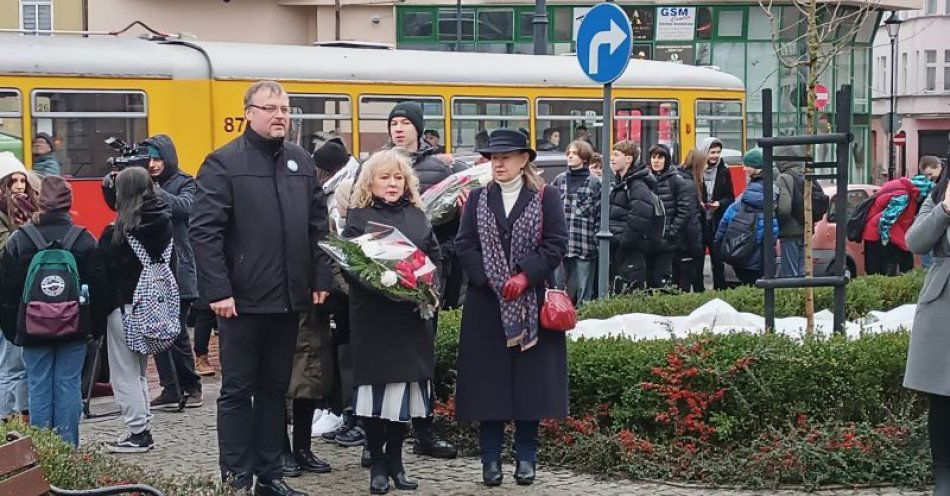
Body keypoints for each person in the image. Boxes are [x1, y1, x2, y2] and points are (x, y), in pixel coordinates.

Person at [190, 80, 334, 496]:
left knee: (275, 390)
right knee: (237, 389)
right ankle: (236, 475)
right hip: (240, 302)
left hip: (288, 300)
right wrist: (218, 290)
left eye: (286, 109)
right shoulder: (223, 163)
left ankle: (270, 475)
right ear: (248, 112)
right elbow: (206, 231)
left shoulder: (300, 162)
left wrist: (320, 278)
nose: (280, 116)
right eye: (270, 108)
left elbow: (317, 228)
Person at [455, 129, 568, 487]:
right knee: (489, 386)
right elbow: (465, 245)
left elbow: (555, 244)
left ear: (524, 160)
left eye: (505, 157)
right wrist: (489, 279)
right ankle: (490, 461)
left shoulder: (546, 196)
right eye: (493, 158)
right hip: (487, 304)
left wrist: (525, 276)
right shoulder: (477, 199)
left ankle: (526, 458)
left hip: (530, 303)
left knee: (529, 385)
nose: (498, 163)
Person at [343, 149, 442, 494]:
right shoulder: (359, 216)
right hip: (375, 318)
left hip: (410, 320)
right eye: (385, 177)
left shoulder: (417, 216)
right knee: (375, 395)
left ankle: (398, 463)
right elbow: (351, 266)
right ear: (371, 180)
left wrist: (429, 290)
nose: (392, 183)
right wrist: (386, 288)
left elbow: (435, 258)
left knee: (403, 395)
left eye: (398, 177)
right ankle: (377, 466)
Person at [0, 175, 107, 446]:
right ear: (69, 204)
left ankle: (44, 451)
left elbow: (7, 293)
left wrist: (13, 330)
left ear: (40, 202)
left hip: (32, 328)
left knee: (38, 385)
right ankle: (68, 449)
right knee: (69, 385)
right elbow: (100, 290)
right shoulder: (84, 240)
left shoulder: (20, 240)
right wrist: (94, 329)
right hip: (73, 327)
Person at [383, 101, 458, 459]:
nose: (398, 129)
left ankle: (425, 429)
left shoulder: (440, 168)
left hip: (426, 277)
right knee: (386, 358)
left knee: (422, 355)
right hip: (385, 277)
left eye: (404, 123)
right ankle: (382, 434)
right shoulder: (378, 166)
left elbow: (455, 224)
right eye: (393, 123)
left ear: (418, 128)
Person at [98, 167, 174, 453]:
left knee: (125, 372)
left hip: (125, 309)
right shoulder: (164, 224)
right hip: (156, 308)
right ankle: (142, 424)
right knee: (140, 370)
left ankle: (138, 432)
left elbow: (103, 274)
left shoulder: (116, 234)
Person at [139, 134, 204, 410]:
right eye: (149, 160)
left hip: (180, 270)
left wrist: (153, 191)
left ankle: (191, 387)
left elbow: (185, 208)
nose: (153, 165)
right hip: (153, 271)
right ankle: (170, 387)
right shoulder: (147, 184)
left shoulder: (186, 182)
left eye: (158, 158)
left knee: (176, 333)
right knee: (156, 332)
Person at [903, 165, 950, 496]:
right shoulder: (938, 196)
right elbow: (915, 242)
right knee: (943, 396)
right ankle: (943, 475)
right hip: (943, 302)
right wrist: (945, 210)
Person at [0, 153, 39, 424]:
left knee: (23, 364)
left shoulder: (27, 212)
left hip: (25, 297)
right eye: (12, 181)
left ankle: (24, 417)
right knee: (9, 363)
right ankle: (5, 419)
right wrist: (23, 233)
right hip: (6, 298)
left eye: (22, 181)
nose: (18, 186)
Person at [714, 148, 779, 285]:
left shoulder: (746, 196)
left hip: (744, 252)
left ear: (756, 168)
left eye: (747, 165)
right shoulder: (774, 190)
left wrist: (718, 243)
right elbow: (773, 229)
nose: (744, 168)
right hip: (764, 255)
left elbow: (727, 219)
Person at [607, 140, 660, 292]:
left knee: (628, 290)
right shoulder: (622, 182)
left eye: (616, 155)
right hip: (620, 247)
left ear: (628, 159)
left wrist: (624, 241)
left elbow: (640, 216)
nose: (612, 159)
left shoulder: (636, 184)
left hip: (628, 250)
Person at [861, 169, 936, 276]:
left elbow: (903, 219)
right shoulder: (902, 197)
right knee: (883, 274)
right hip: (878, 236)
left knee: (904, 261)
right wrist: (905, 243)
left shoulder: (907, 190)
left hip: (883, 234)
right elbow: (887, 223)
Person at [552, 140, 600, 303]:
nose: (570, 156)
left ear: (584, 157)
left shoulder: (595, 183)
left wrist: (597, 240)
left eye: (574, 153)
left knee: (583, 291)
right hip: (561, 244)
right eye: (568, 153)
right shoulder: (559, 180)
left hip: (585, 244)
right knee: (557, 290)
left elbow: (599, 213)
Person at [644, 144, 692, 289]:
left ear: (667, 160)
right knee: (648, 280)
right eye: (653, 157)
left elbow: (684, 210)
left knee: (663, 280)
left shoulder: (676, 180)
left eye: (660, 157)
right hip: (648, 239)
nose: (656, 161)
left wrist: (671, 232)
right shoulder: (645, 179)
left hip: (667, 241)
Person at [697, 137, 735, 289]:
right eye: (712, 152)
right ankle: (698, 290)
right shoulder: (695, 170)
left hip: (716, 221)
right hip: (699, 221)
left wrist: (719, 204)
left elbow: (730, 196)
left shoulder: (724, 170)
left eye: (718, 152)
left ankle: (720, 289)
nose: (715, 156)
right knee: (698, 258)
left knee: (718, 259)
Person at [674, 150, 708, 292]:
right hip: (685, 243)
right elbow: (690, 219)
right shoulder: (690, 184)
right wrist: (698, 248)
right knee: (685, 283)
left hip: (679, 241)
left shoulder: (679, 177)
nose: (706, 167)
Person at [775, 145, 807, 278]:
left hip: (789, 232)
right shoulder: (806, 175)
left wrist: (779, 225)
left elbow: (784, 208)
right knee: (803, 273)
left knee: (790, 275)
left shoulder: (784, 178)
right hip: (807, 230)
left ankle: (793, 297)